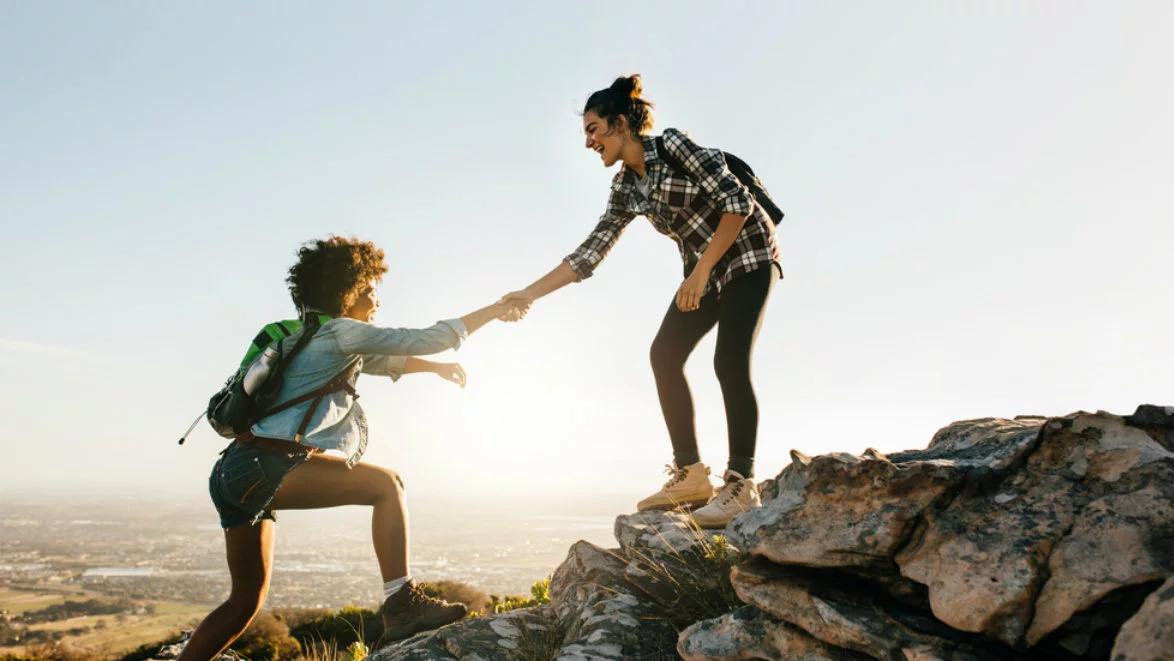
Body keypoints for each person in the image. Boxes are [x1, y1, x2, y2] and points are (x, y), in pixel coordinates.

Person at [179, 236, 526, 660]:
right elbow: (427, 338)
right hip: (268, 467)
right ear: (351, 289)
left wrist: (434, 369)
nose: (377, 299)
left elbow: (387, 362)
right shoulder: (342, 333)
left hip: (233, 474)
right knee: (387, 485)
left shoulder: (306, 338)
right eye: (371, 289)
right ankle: (402, 603)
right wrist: (495, 309)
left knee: (244, 602)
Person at [502, 74, 782, 529]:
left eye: (592, 129)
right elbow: (589, 254)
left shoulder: (674, 146)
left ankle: (741, 484)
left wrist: (701, 269)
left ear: (618, 124)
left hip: (747, 254)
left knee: (728, 361)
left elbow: (738, 202)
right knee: (664, 354)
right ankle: (691, 474)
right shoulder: (626, 188)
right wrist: (528, 294)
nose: (589, 142)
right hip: (704, 273)